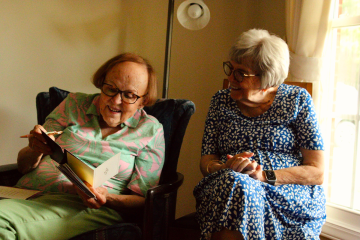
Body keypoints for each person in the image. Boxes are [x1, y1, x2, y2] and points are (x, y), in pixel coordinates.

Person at [0, 53, 165, 240]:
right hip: (25, 195)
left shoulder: (150, 131)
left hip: (83, 207)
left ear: (143, 101)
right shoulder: (74, 104)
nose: (116, 100)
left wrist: (107, 197)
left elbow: (144, 199)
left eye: (129, 95)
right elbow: (23, 166)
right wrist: (35, 148)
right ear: (101, 83)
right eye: (110, 88)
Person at [194, 29, 325, 240]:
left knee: (238, 186)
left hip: (287, 196)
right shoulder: (220, 101)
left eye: (240, 73)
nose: (230, 77)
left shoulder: (297, 100)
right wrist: (224, 168)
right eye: (231, 68)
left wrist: (264, 176)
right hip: (226, 189)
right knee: (235, 184)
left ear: (267, 81)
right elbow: (206, 160)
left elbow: (316, 172)